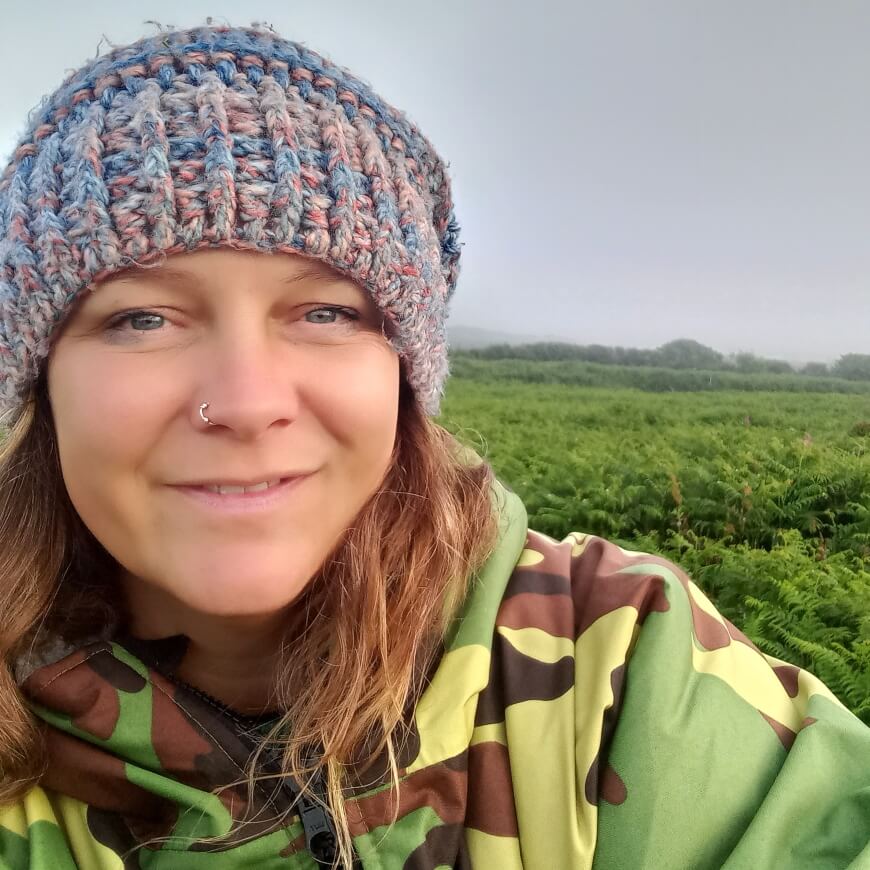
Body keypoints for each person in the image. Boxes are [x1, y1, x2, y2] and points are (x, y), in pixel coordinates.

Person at [0, 23, 867, 870]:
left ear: (405, 374)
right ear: (39, 380)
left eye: (327, 312)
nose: (247, 402)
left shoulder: (622, 664)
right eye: (142, 318)